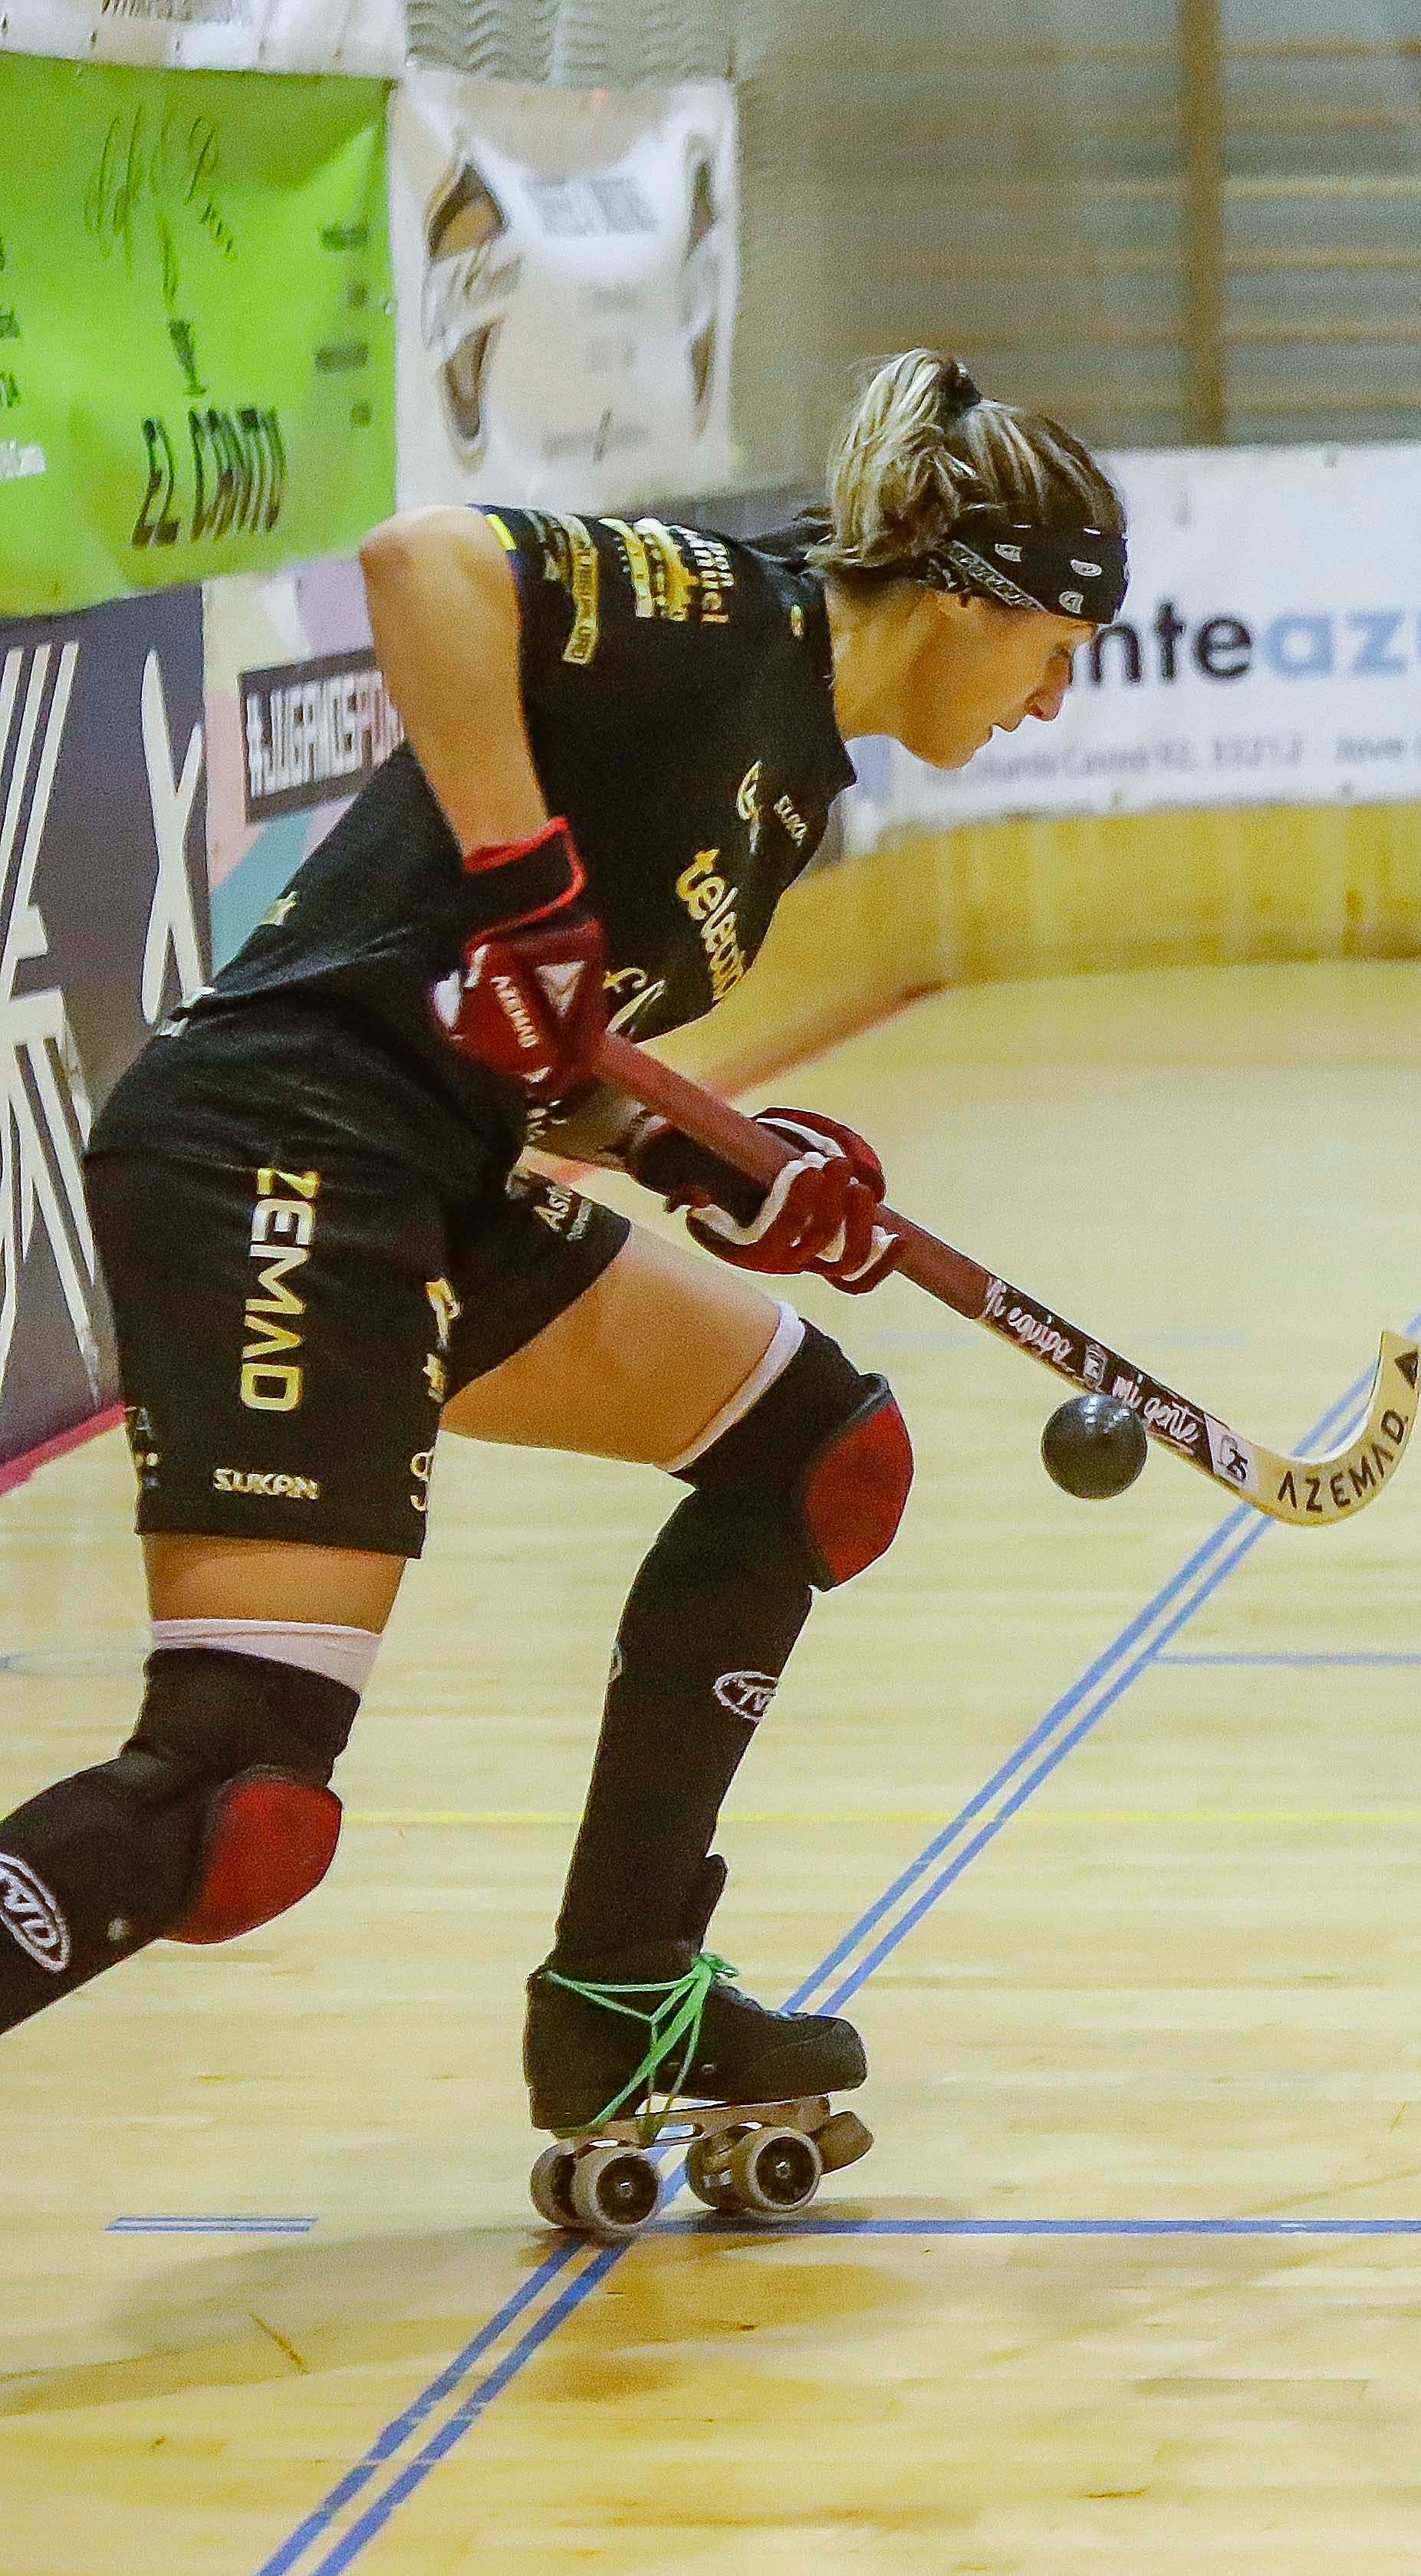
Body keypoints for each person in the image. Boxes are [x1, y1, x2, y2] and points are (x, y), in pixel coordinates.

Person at [0, 353, 1123, 2173]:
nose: (1059, 695)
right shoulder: (726, 617)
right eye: (1060, 644)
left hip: (430, 1176)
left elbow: (552, 1058)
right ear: (972, 595)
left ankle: (623, 1989)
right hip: (279, 1155)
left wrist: (729, 1172)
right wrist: (529, 884)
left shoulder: (790, 797)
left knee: (819, 1453)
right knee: (236, 1802)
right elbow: (422, 561)